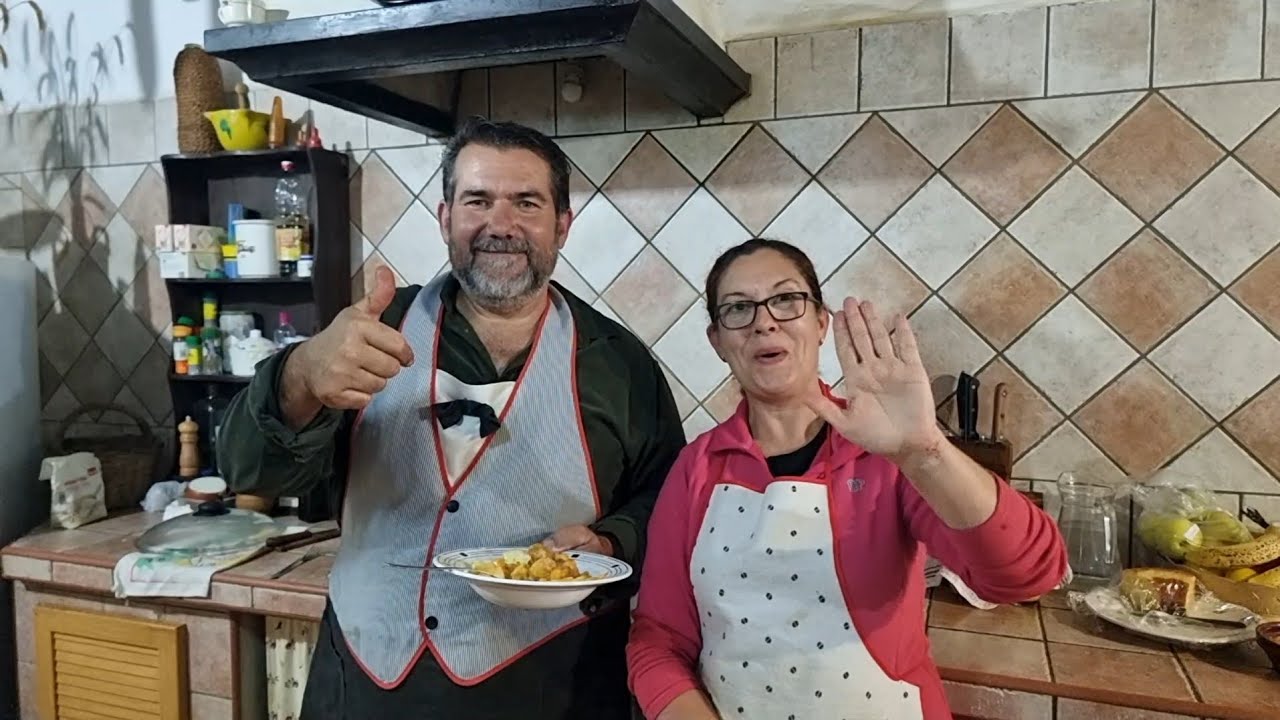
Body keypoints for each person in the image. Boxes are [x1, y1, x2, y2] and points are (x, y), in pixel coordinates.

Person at [216, 118, 686, 720]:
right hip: (365, 684)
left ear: (562, 225)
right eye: (477, 201)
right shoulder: (370, 334)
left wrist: (612, 539)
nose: (500, 225)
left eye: (526, 203)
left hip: (551, 685)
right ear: (444, 218)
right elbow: (248, 471)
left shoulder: (619, 366)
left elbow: (670, 506)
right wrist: (300, 376)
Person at [625, 238, 1068, 720]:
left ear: (820, 323)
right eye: (738, 308)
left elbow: (1025, 576)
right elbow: (658, 641)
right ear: (718, 342)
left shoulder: (885, 454)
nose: (763, 321)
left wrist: (924, 451)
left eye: (786, 299)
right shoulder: (696, 468)